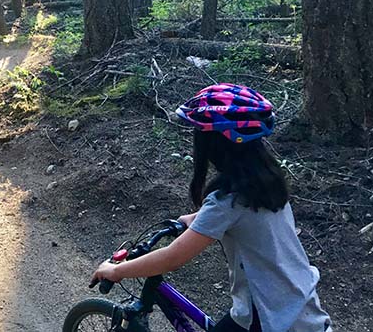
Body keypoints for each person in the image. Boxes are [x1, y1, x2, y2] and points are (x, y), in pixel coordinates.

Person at [91, 84, 332, 332]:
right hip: (300, 305)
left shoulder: (227, 200)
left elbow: (172, 258)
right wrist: (196, 218)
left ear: (214, 143)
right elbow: (246, 219)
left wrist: (117, 270)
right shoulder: (265, 183)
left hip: (269, 318)